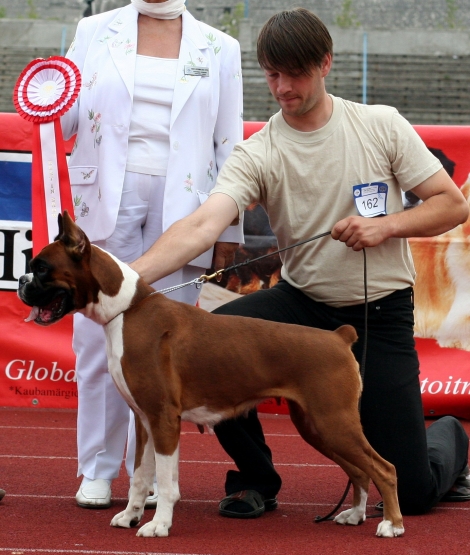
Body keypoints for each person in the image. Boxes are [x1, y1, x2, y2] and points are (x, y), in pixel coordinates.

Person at [131, 7, 470, 518]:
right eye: (272, 75)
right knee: (210, 348)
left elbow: (452, 205)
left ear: (325, 64)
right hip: (301, 303)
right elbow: (202, 225)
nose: (283, 88)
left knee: (415, 495)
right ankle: (257, 479)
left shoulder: (380, 125)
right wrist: (127, 280)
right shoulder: (257, 151)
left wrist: (385, 226)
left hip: (381, 313)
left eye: (295, 74)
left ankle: (449, 437)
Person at [61, 0, 243, 508]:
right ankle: (97, 469)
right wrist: (48, 96)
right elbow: (65, 118)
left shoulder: (220, 47)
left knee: (164, 349)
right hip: (103, 204)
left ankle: (148, 475)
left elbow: (230, 143)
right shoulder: (93, 30)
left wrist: (228, 226)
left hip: (186, 213)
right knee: (95, 341)